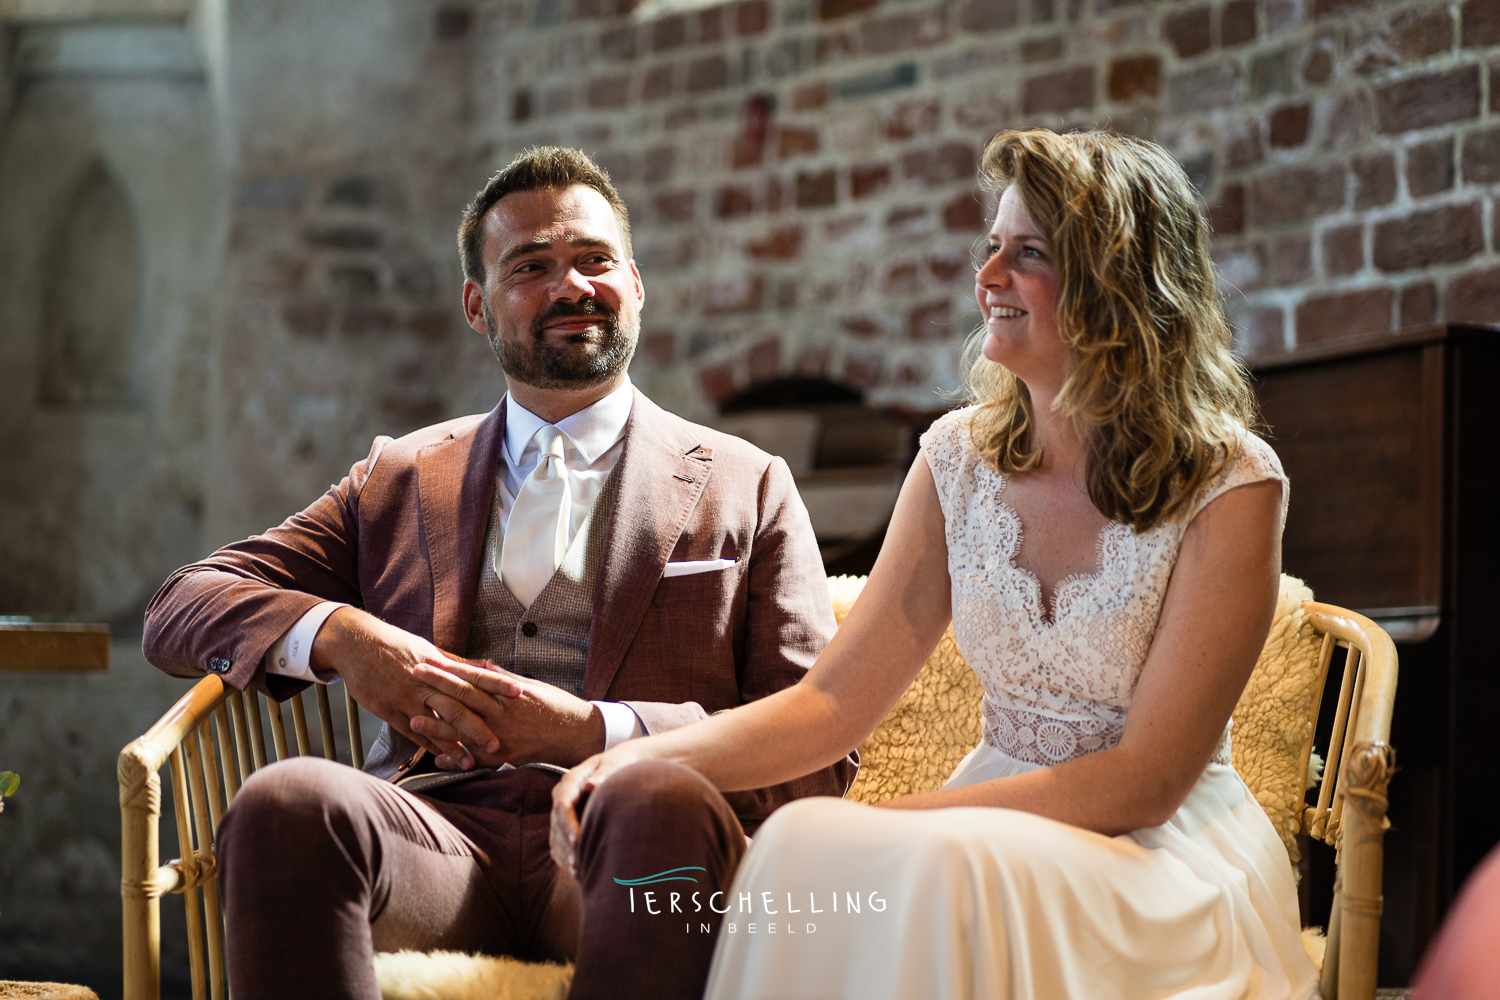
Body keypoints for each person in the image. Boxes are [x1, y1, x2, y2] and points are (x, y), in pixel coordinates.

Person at [512, 128, 1319, 998]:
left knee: (911, 867)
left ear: (1118, 285)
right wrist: (641, 761)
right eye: (992, 247)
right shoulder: (957, 461)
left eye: (1031, 254)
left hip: (1161, 854)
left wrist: (893, 828)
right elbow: (830, 703)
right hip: (981, 832)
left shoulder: (1229, 482)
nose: (990, 277)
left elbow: (1148, 780)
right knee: (804, 843)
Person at [142, 146, 855, 1000]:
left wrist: (596, 736)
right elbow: (179, 607)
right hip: (433, 838)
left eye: (594, 260)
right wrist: (344, 638)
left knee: (657, 802)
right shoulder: (398, 477)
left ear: (635, 284)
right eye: (532, 267)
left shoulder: (750, 480)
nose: (571, 286)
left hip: (630, 853)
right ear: (477, 307)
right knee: (286, 802)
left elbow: (818, 752)